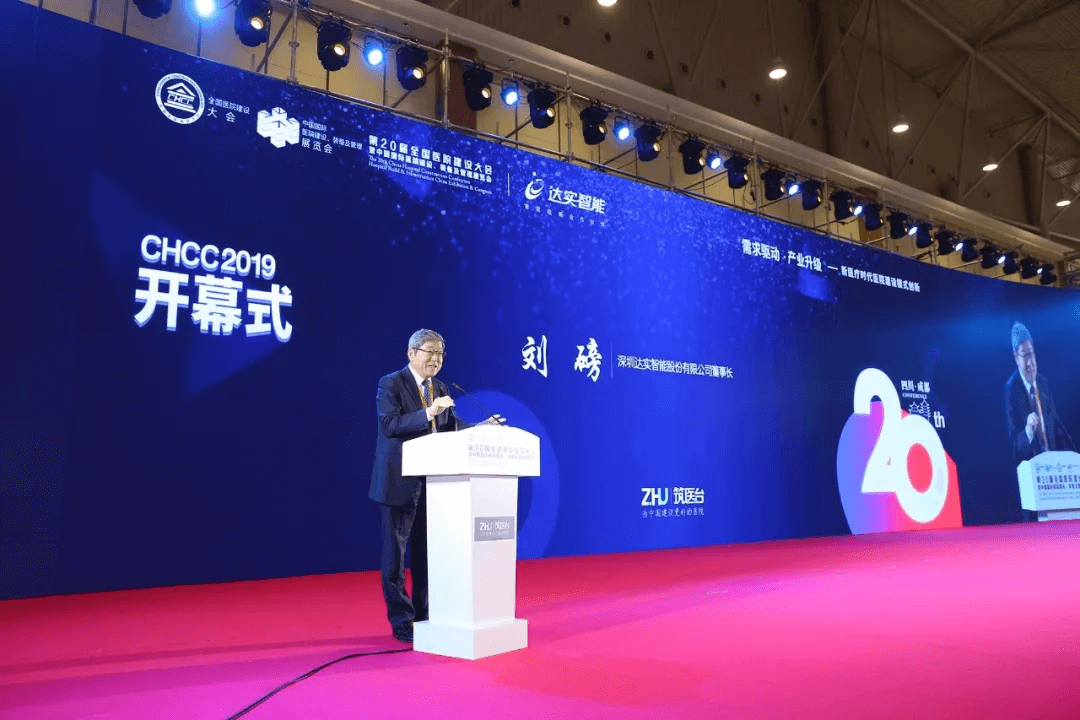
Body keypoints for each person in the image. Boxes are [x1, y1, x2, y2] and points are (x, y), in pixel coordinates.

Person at [369, 329, 501, 643]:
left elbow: (450, 426)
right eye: (430, 351)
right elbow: (389, 425)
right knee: (396, 559)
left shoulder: (439, 387)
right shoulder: (391, 383)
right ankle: (402, 621)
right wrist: (429, 411)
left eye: (441, 353)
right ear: (411, 352)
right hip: (399, 482)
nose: (436, 359)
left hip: (434, 484)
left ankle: (425, 615)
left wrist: (480, 428)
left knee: (427, 555)